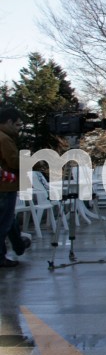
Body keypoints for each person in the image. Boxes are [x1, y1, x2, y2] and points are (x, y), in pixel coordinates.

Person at [0, 107, 23, 267]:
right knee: (4, 222)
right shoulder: (4, 139)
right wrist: (31, 161)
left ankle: (19, 244)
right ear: (8, 122)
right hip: (5, 186)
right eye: (17, 125)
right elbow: (14, 161)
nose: (19, 128)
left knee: (8, 220)